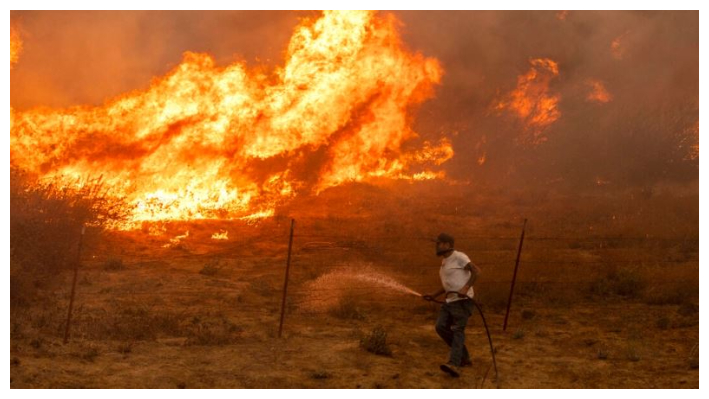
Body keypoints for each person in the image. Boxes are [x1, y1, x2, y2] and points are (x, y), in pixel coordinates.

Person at [423, 233, 481, 378]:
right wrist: (434, 295)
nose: (437, 246)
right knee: (440, 327)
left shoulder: (459, 257)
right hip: (450, 301)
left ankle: (454, 364)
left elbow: (476, 271)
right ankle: (464, 357)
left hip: (462, 302)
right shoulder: (444, 262)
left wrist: (466, 288)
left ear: (448, 244)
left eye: (440, 243)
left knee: (457, 330)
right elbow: (447, 285)